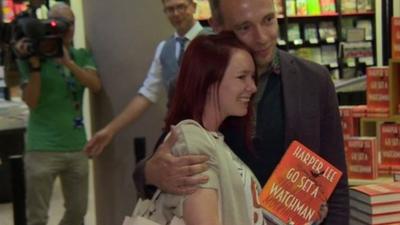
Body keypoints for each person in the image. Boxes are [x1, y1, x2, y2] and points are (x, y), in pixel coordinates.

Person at [134, 0, 349, 224]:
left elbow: (336, 185)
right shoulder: (196, 82)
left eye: (268, 20)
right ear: (217, 26)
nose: (262, 37)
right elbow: (167, 152)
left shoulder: (314, 81)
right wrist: (150, 173)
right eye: (244, 27)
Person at [149, 31, 267, 225]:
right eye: (242, 77)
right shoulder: (193, 141)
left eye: (252, 77)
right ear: (209, 80)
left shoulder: (212, 139)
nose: (252, 87)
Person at [84, 0, 211, 157]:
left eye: (181, 7)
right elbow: (147, 94)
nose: (176, 13)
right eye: (170, 9)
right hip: (179, 134)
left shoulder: (213, 40)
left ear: (193, 6)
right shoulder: (164, 48)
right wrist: (110, 130)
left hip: (213, 132)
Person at [14, 3, 101, 225]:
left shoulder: (81, 56)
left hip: (76, 146)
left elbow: (95, 85)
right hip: (42, 147)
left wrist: (69, 63)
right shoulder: (32, 55)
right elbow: (32, 101)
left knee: (78, 211)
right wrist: (34, 67)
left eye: (70, 24)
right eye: (58, 24)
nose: (65, 29)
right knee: (37, 217)